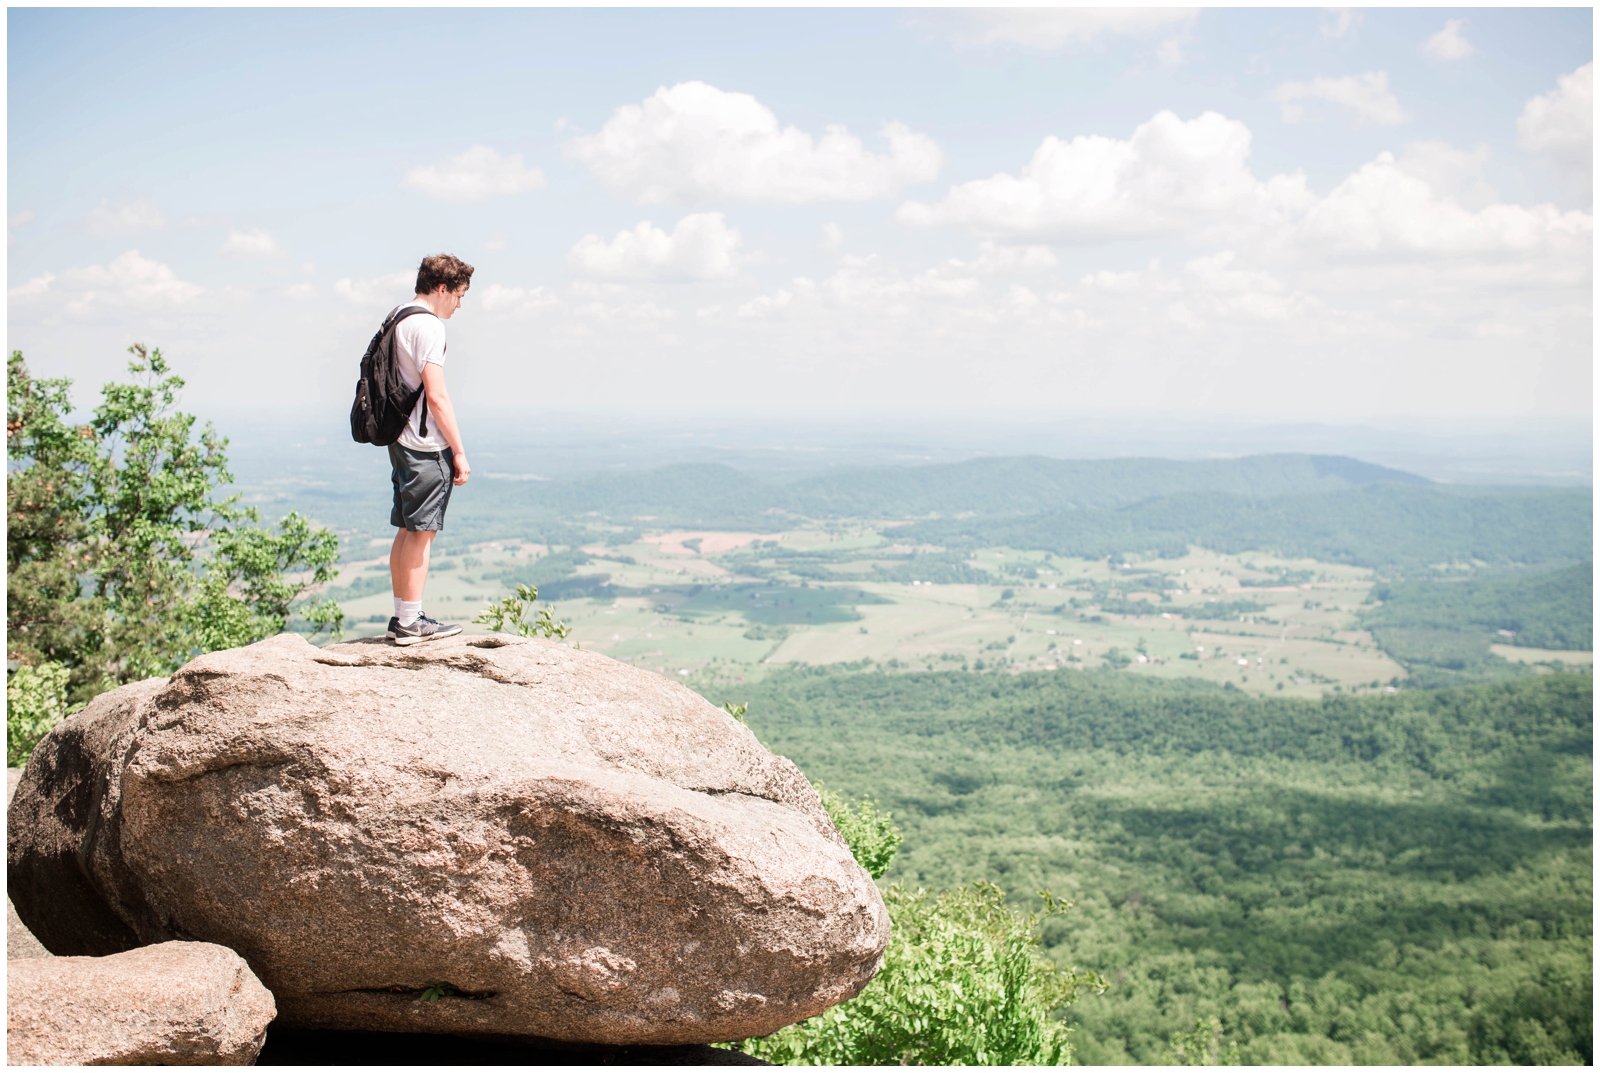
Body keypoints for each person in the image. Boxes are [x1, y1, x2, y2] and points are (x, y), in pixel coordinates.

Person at [385, 254, 474, 645]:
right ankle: (410, 621)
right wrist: (458, 450)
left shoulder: (397, 316)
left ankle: (401, 614)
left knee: (407, 528)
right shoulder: (429, 327)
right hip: (424, 444)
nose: (460, 303)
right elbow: (436, 396)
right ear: (442, 288)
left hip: (398, 438)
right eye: (459, 294)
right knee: (423, 533)